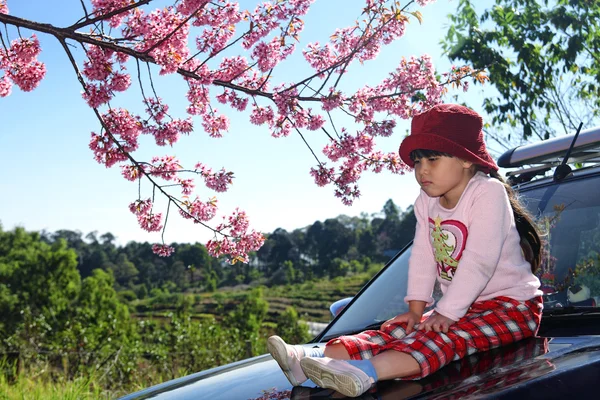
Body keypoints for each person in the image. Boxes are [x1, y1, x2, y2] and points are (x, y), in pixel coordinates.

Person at [267, 103, 544, 398]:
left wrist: (447, 312)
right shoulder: (426, 201)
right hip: (462, 308)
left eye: (433, 159)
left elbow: (479, 261)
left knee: (445, 338)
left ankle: (367, 372)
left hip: (512, 307)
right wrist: (416, 310)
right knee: (396, 331)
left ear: (466, 159)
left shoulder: (487, 192)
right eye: (417, 162)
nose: (422, 170)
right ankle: (313, 359)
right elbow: (424, 255)